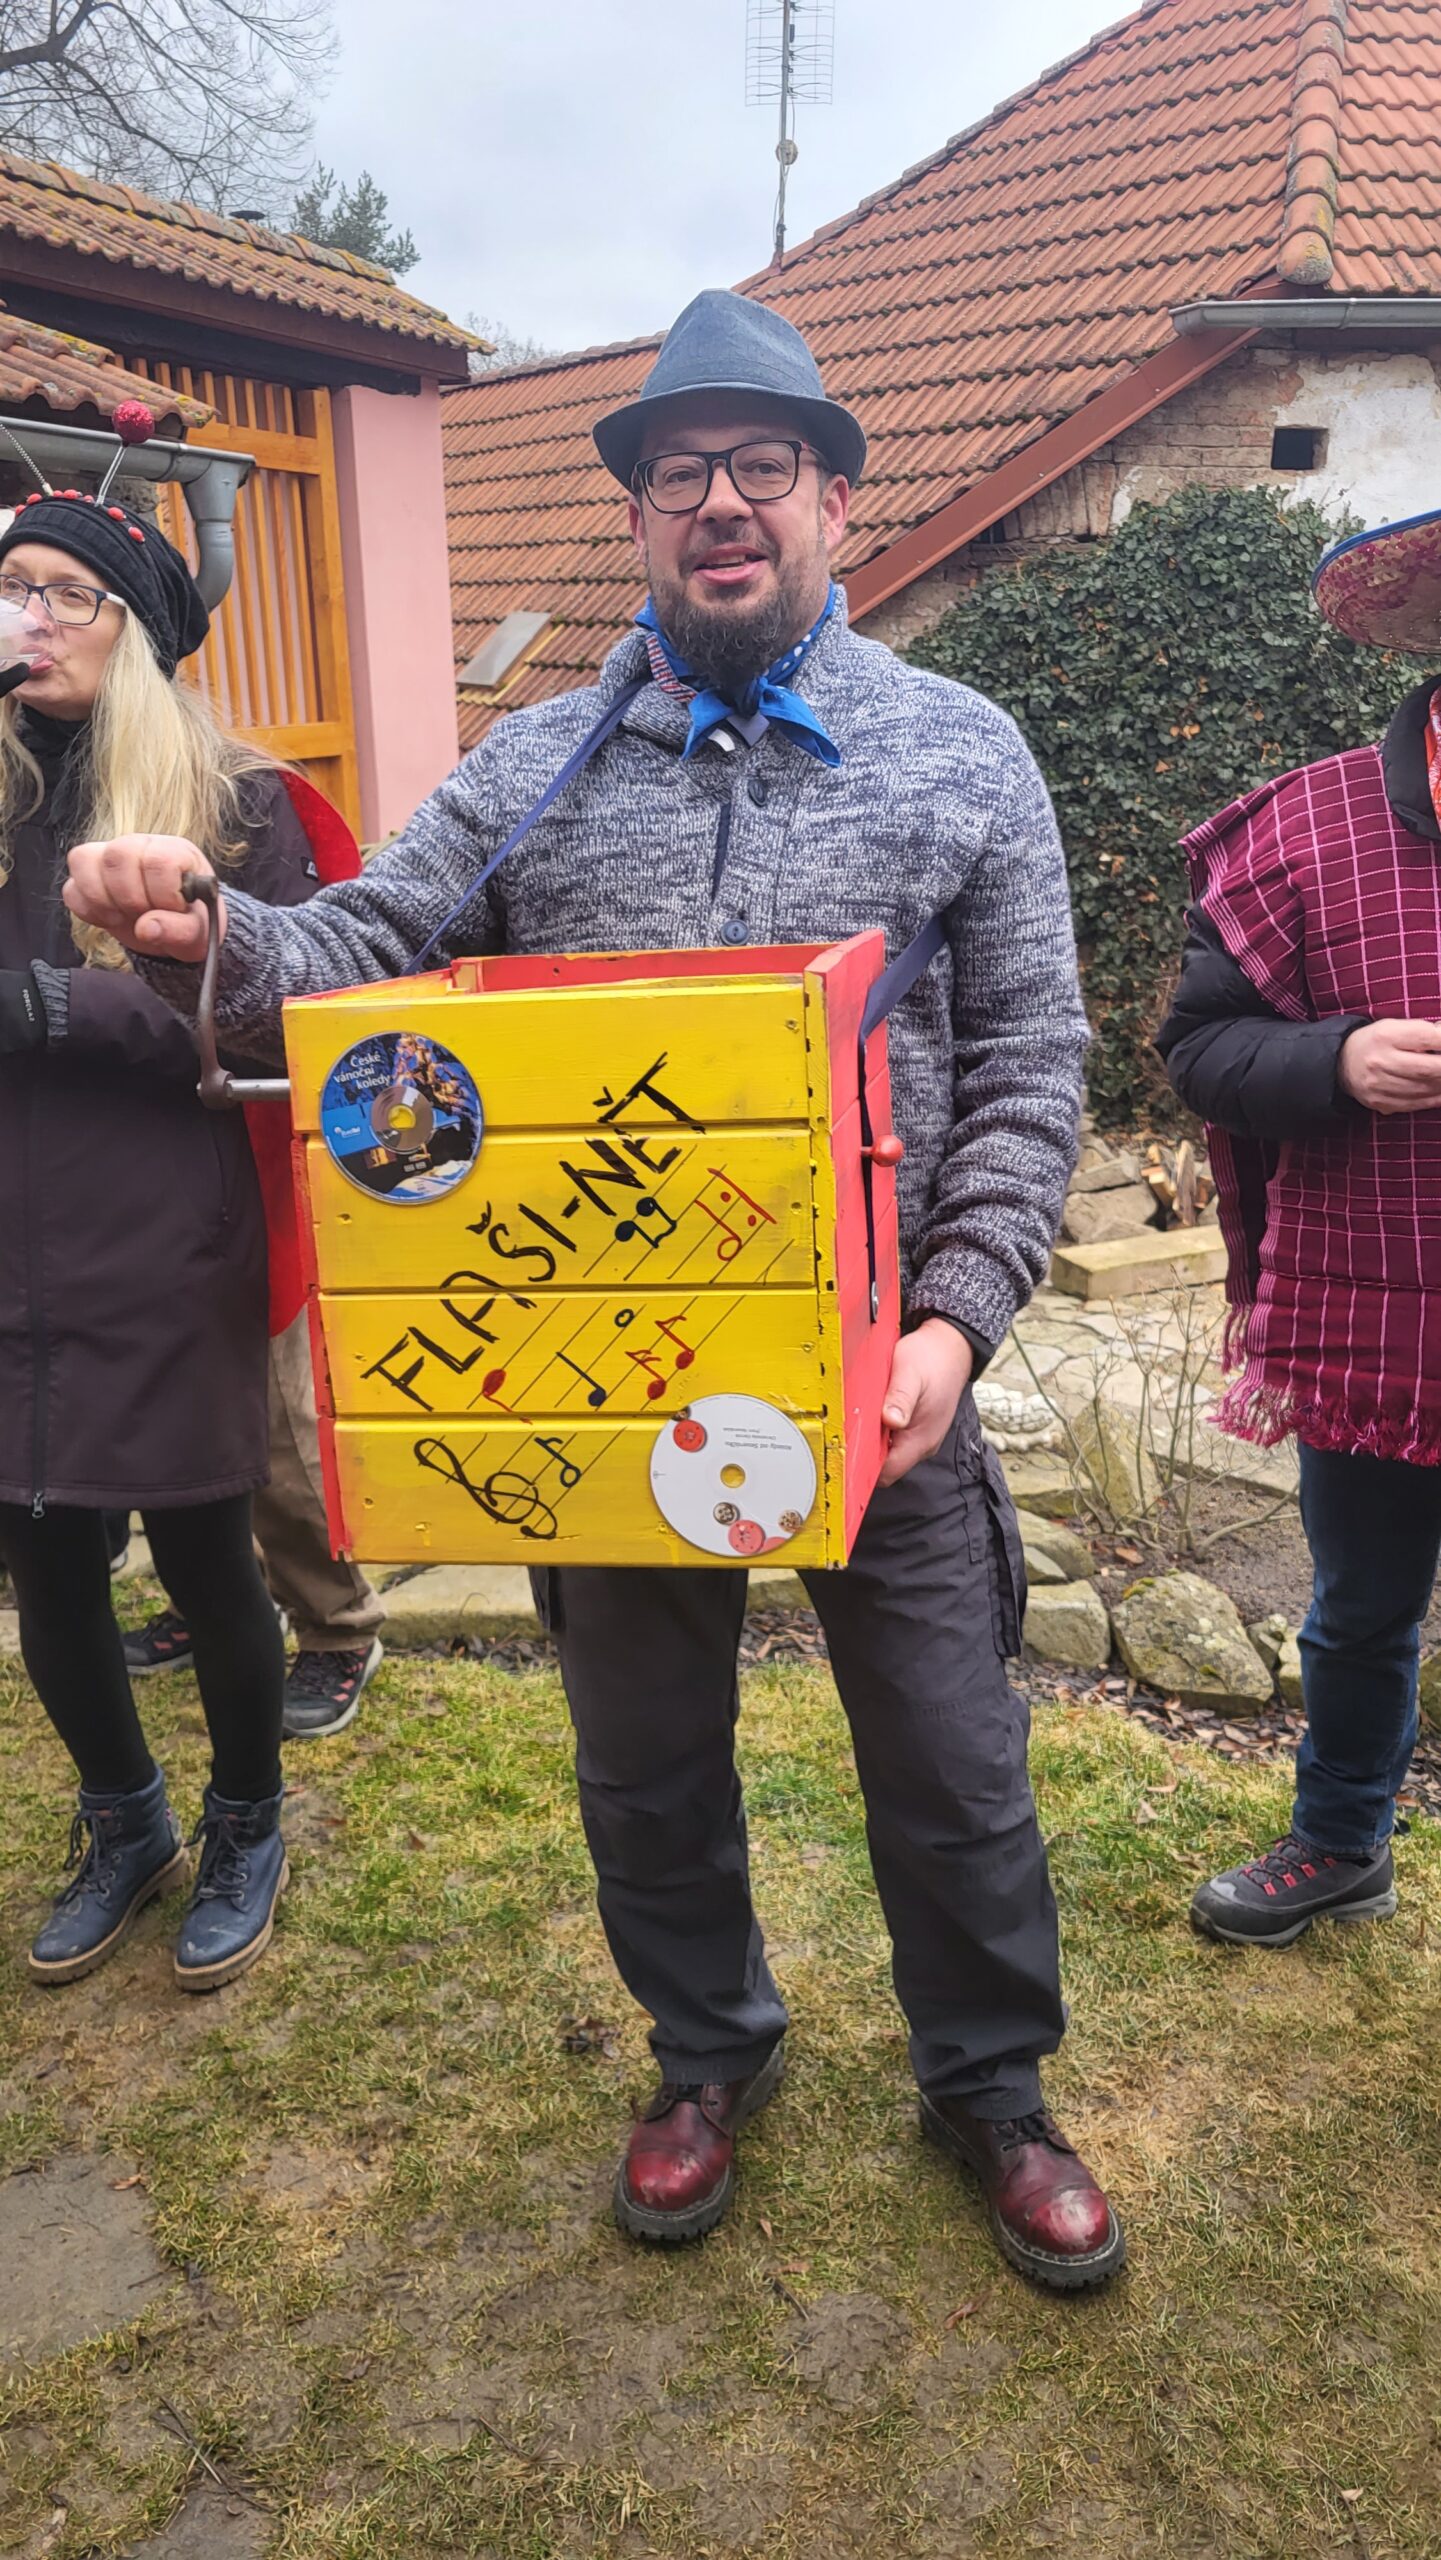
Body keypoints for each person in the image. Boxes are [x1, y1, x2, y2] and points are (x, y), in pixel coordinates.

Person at [64, 291, 1124, 2289]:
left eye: (761, 466)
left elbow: (1026, 1066)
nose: (720, 502)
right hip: (603, 1376)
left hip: (877, 1379)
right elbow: (361, 945)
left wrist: (955, 1322)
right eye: (677, 473)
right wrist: (210, 929)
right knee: (644, 1756)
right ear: (635, 516)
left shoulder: (964, 753)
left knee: (953, 1757)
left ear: (831, 498)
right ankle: (706, 2049)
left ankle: (990, 2081)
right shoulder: (536, 763)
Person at [0, 478, 326, 1989]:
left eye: (62, 592)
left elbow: (285, 1020)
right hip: (9, 1242)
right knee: (46, 1566)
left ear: (130, 628)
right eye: (10, 587)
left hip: (165, 1235)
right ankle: (125, 1818)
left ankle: (247, 1817)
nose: (28, 618)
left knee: (206, 1557)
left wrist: (62, 1004)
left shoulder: (234, 802)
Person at [1157, 505, 1441, 1948]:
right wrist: (1336, 1059)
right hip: (1373, 1306)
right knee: (1360, 1610)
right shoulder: (1303, 827)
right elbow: (1198, 1050)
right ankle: (1340, 1844)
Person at [122, 1313, 387, 1742]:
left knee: (277, 1427)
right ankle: (215, 1603)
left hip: (248, 1272)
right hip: (147, 1275)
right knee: (178, 1412)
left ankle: (339, 1627)